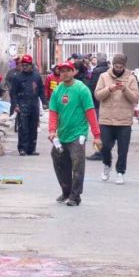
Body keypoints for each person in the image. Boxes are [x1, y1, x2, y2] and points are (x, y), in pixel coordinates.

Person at [47, 61, 100, 206]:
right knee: (58, 161)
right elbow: (53, 112)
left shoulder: (82, 89)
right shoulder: (58, 90)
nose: (64, 73)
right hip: (62, 134)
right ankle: (66, 191)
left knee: (77, 165)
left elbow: (90, 113)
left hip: (78, 135)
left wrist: (97, 136)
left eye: (67, 70)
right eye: (62, 71)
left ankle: (75, 196)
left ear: (74, 72)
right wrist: (52, 131)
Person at [94, 53, 139, 183]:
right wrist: (109, 89)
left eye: (121, 66)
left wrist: (125, 89)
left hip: (124, 120)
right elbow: (97, 95)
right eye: (116, 66)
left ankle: (120, 172)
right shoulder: (103, 77)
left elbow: (135, 98)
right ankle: (106, 164)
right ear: (112, 65)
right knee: (105, 146)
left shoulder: (131, 78)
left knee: (123, 149)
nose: (118, 68)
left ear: (124, 66)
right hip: (106, 119)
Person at [4, 54, 45, 156]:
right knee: (23, 128)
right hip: (22, 104)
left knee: (33, 127)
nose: (25, 67)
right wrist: (16, 105)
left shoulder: (36, 76)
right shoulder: (17, 77)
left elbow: (41, 90)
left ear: (31, 65)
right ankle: (22, 148)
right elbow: (13, 93)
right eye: (23, 65)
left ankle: (32, 149)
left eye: (27, 65)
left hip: (34, 103)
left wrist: (44, 102)